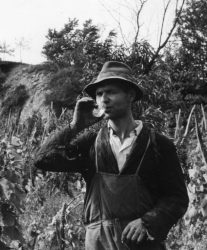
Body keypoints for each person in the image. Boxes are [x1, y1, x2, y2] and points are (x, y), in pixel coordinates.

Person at [34, 61, 189, 250]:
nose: (104, 98)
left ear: (130, 95)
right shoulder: (90, 143)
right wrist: (75, 126)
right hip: (98, 244)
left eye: (111, 92)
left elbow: (177, 198)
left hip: (141, 244)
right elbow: (42, 159)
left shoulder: (158, 145)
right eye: (99, 94)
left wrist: (148, 222)